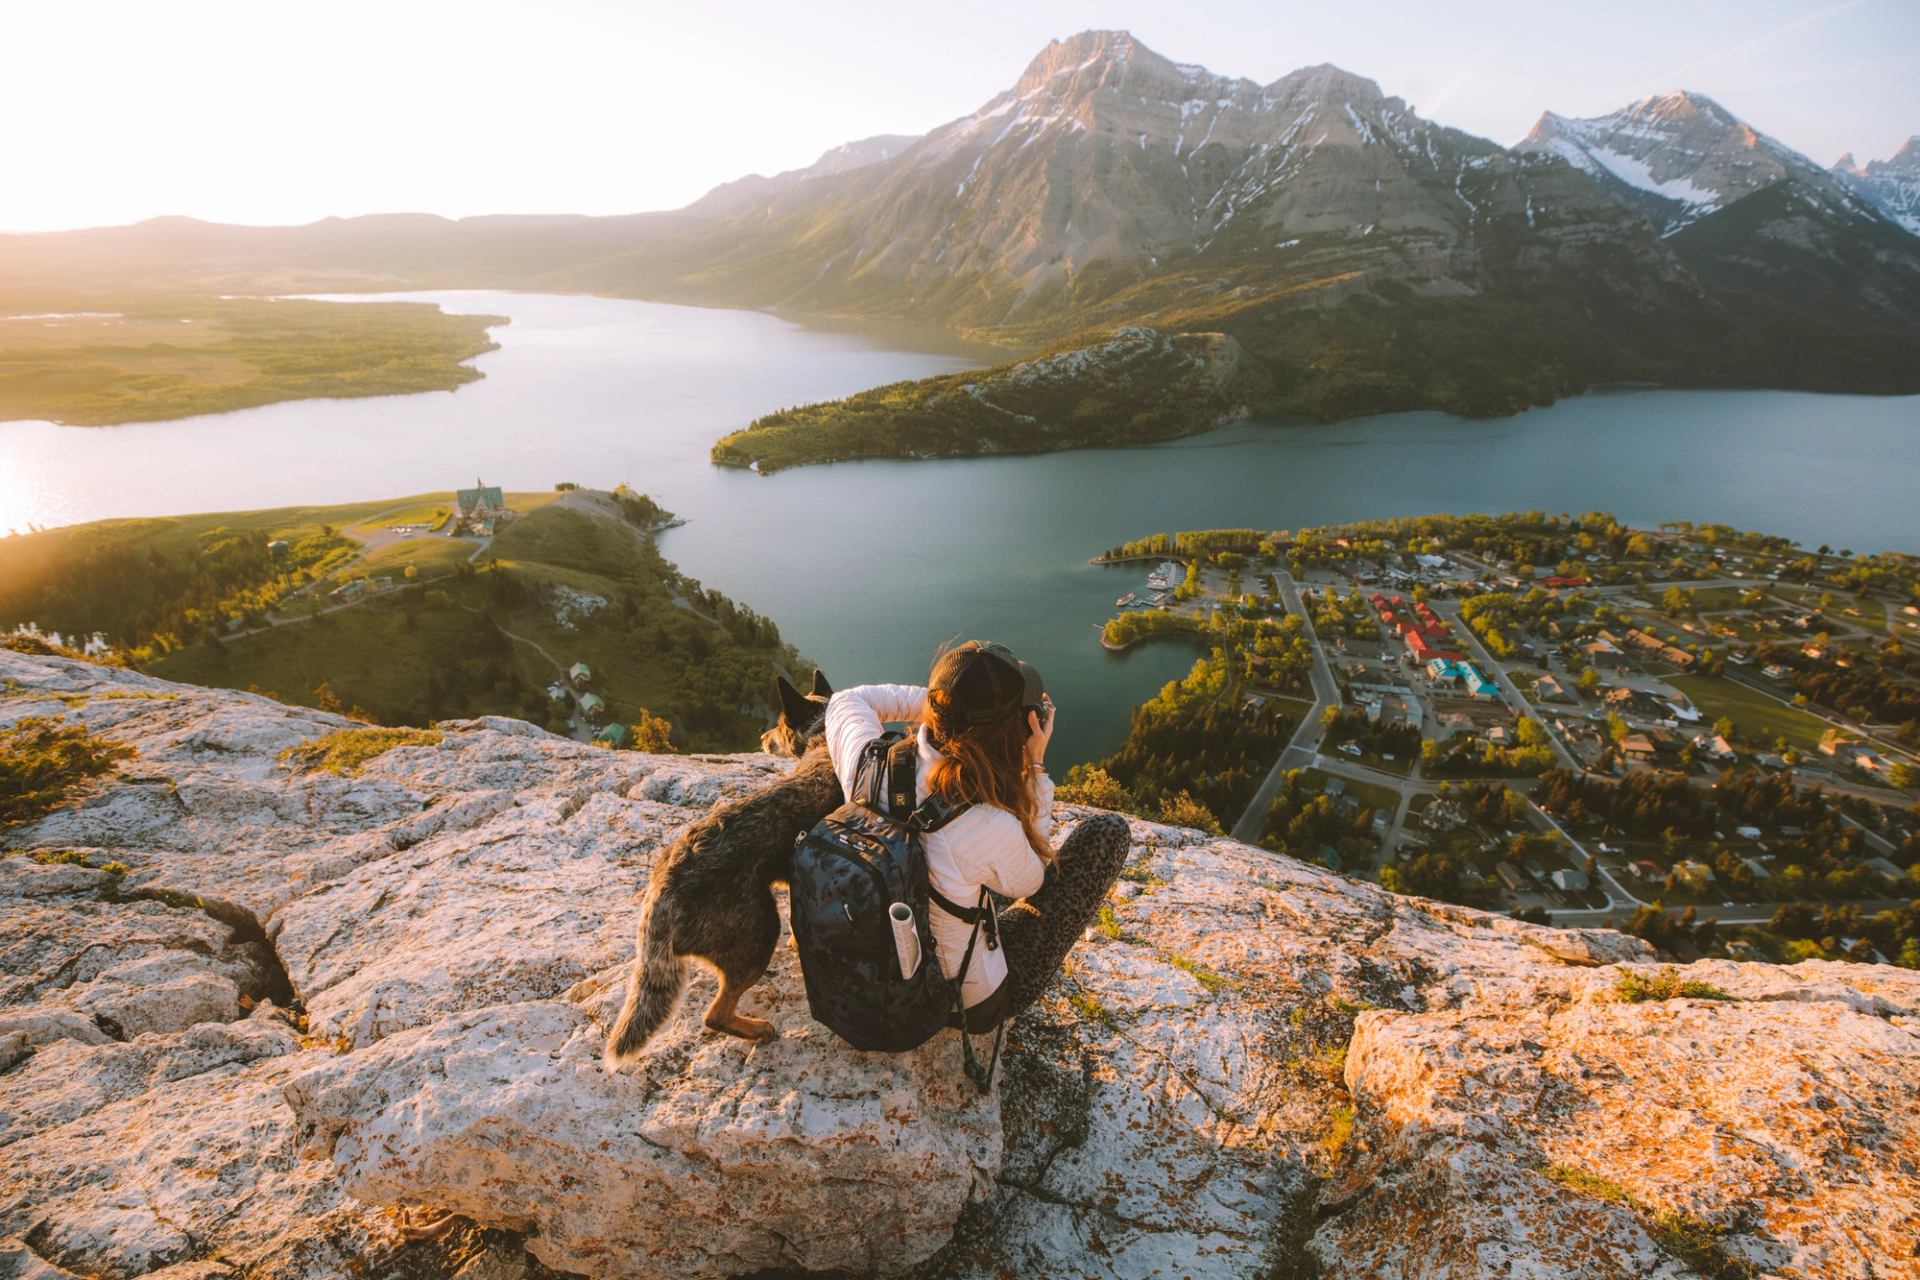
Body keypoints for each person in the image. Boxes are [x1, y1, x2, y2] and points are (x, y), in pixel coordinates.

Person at [823, 639, 1132, 1031]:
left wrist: (947, 706)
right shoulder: (984, 823)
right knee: (1107, 834)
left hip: (881, 964)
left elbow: (849, 700)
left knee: (969, 870)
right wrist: (1035, 766)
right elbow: (1032, 882)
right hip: (960, 1003)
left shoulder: (866, 763)